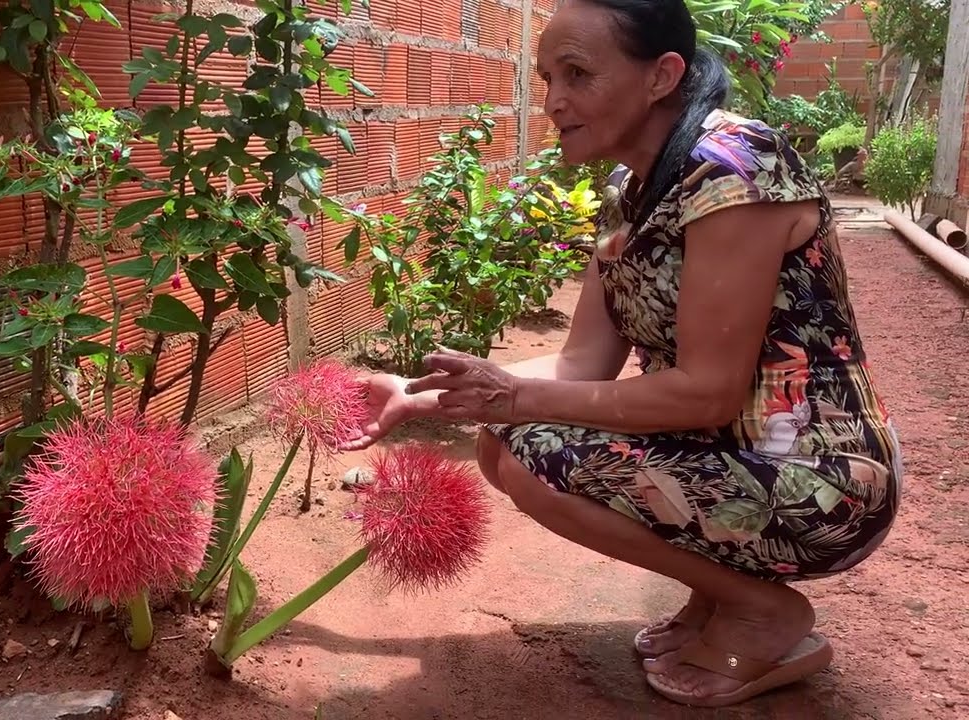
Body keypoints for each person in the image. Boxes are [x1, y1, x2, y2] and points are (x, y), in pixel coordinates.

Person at [338, 0, 903, 709]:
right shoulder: (632, 194)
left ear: (663, 75)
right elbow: (581, 366)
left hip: (819, 478)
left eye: (578, 74)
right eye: (547, 78)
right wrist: (416, 394)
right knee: (506, 439)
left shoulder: (734, 170)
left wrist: (514, 398)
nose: (554, 102)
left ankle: (763, 611)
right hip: (730, 456)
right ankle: (720, 595)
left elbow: (707, 393)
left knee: (531, 448)